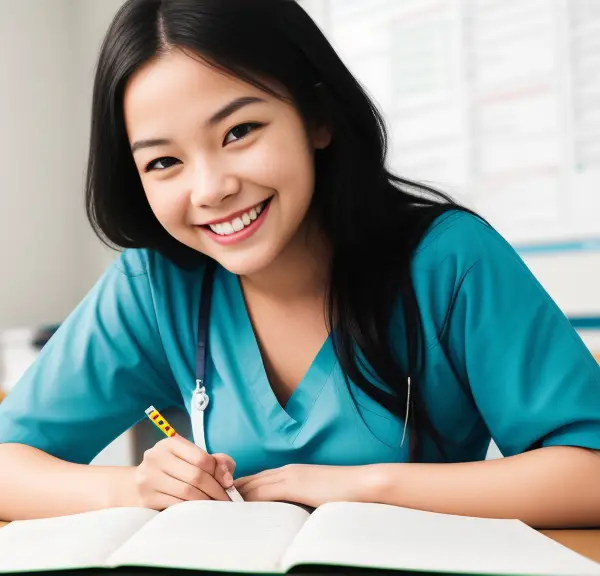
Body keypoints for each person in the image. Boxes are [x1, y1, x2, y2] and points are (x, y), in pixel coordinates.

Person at [1, 0, 599, 528]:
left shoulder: (448, 260)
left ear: (317, 117)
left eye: (239, 131)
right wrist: (136, 487)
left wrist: (362, 487)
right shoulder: (157, 284)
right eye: (163, 162)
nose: (210, 188)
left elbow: (589, 472)